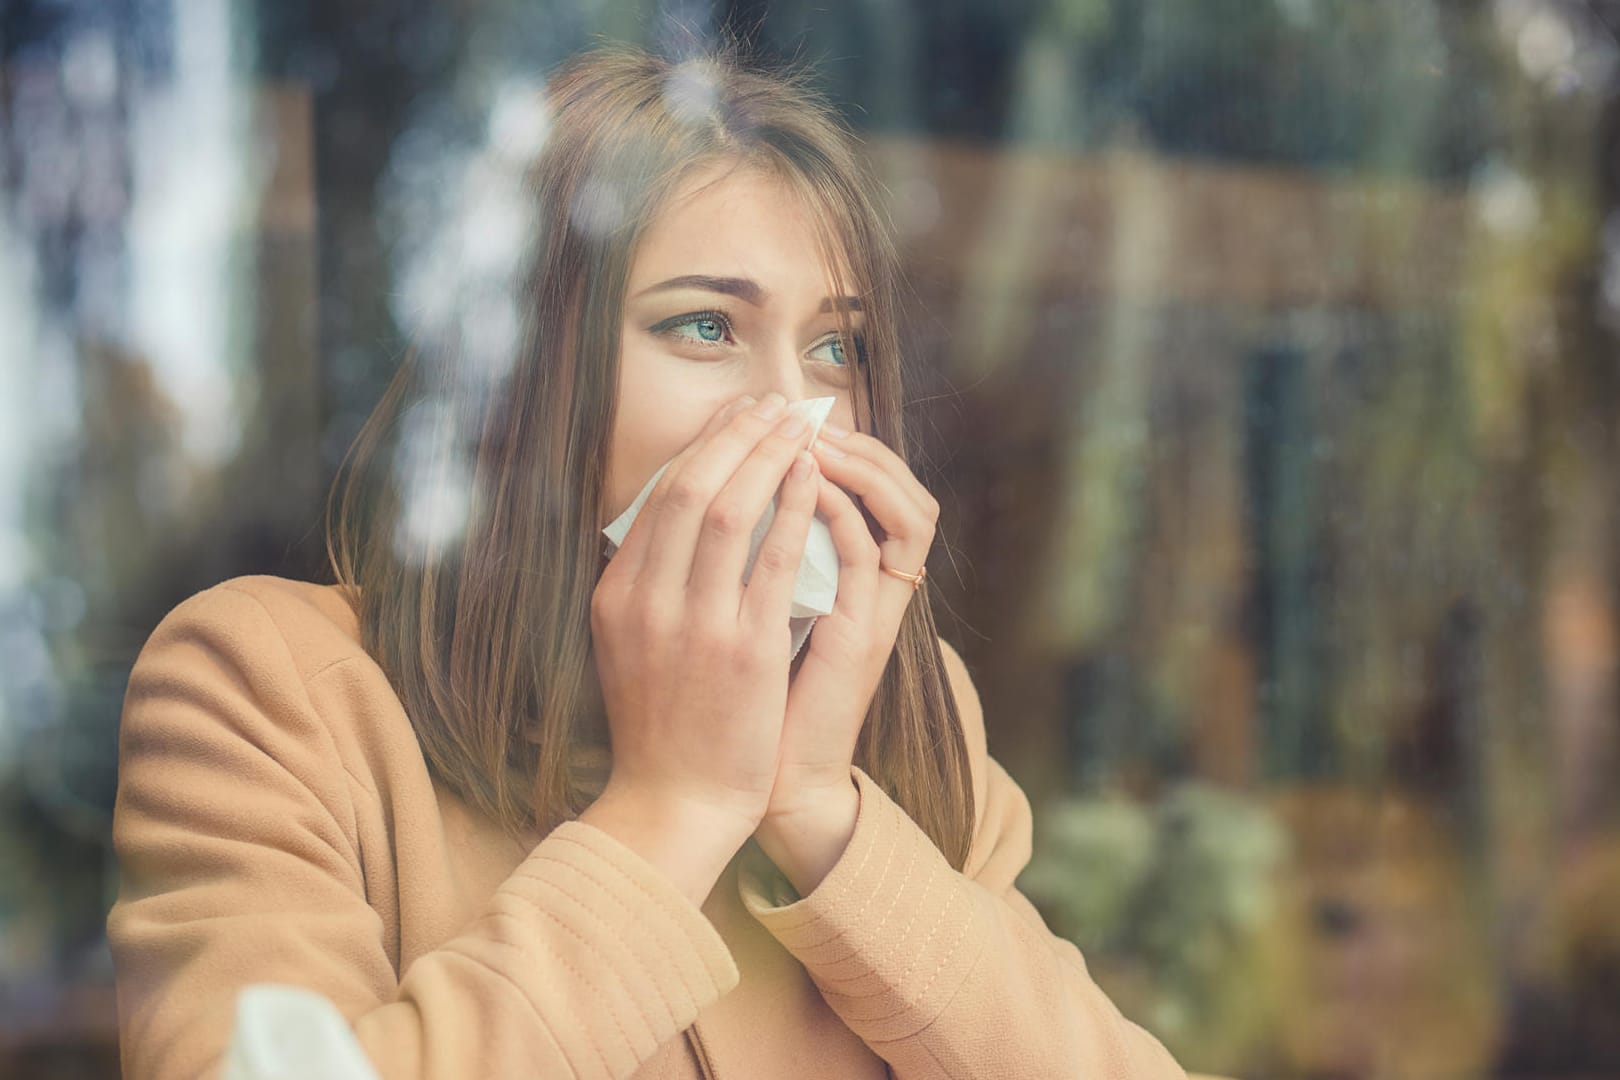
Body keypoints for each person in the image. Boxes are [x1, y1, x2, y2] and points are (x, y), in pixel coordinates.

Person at [107, 44, 1185, 1080]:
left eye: (835, 348)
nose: (791, 414)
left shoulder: (904, 716)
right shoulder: (268, 689)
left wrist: (819, 808)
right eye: (707, 326)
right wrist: (674, 806)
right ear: (523, 380)